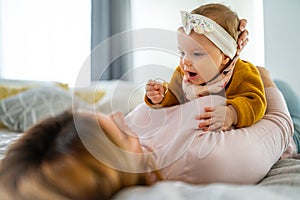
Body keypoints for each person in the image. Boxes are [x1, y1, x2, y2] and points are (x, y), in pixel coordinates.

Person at [0, 67, 295, 200]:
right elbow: (281, 126)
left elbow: (171, 110)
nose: (121, 117)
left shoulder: (124, 145)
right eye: (120, 129)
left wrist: (169, 93)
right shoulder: (209, 159)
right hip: (273, 103)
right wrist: (260, 75)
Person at [145, 3, 266, 131]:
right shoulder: (182, 74)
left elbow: (256, 102)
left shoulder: (242, 73)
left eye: (197, 54)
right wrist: (160, 96)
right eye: (182, 53)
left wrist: (232, 113)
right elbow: (175, 97)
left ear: (225, 56)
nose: (185, 61)